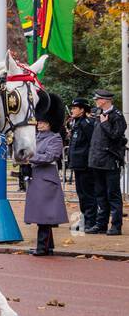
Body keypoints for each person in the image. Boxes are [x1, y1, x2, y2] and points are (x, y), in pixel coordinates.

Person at [25, 90, 69, 256]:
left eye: (43, 122)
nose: (40, 124)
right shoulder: (37, 137)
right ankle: (48, 246)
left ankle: (42, 247)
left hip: (47, 177)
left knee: (44, 216)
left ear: (51, 123)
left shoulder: (55, 138)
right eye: (39, 121)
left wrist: (30, 157)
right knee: (42, 214)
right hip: (38, 177)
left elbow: (51, 156)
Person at [87, 89, 126, 236]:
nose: (96, 101)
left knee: (113, 195)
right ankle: (101, 224)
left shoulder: (117, 116)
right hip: (97, 160)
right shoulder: (98, 114)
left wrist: (105, 124)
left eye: (98, 99)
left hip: (110, 160)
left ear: (105, 100)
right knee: (100, 194)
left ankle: (116, 226)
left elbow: (117, 136)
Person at [67, 97, 96, 230]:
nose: (72, 110)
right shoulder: (77, 123)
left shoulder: (86, 124)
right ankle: (85, 220)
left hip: (86, 165)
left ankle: (91, 221)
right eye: (72, 108)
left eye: (75, 108)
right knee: (82, 195)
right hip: (78, 164)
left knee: (88, 194)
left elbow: (92, 143)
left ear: (82, 110)